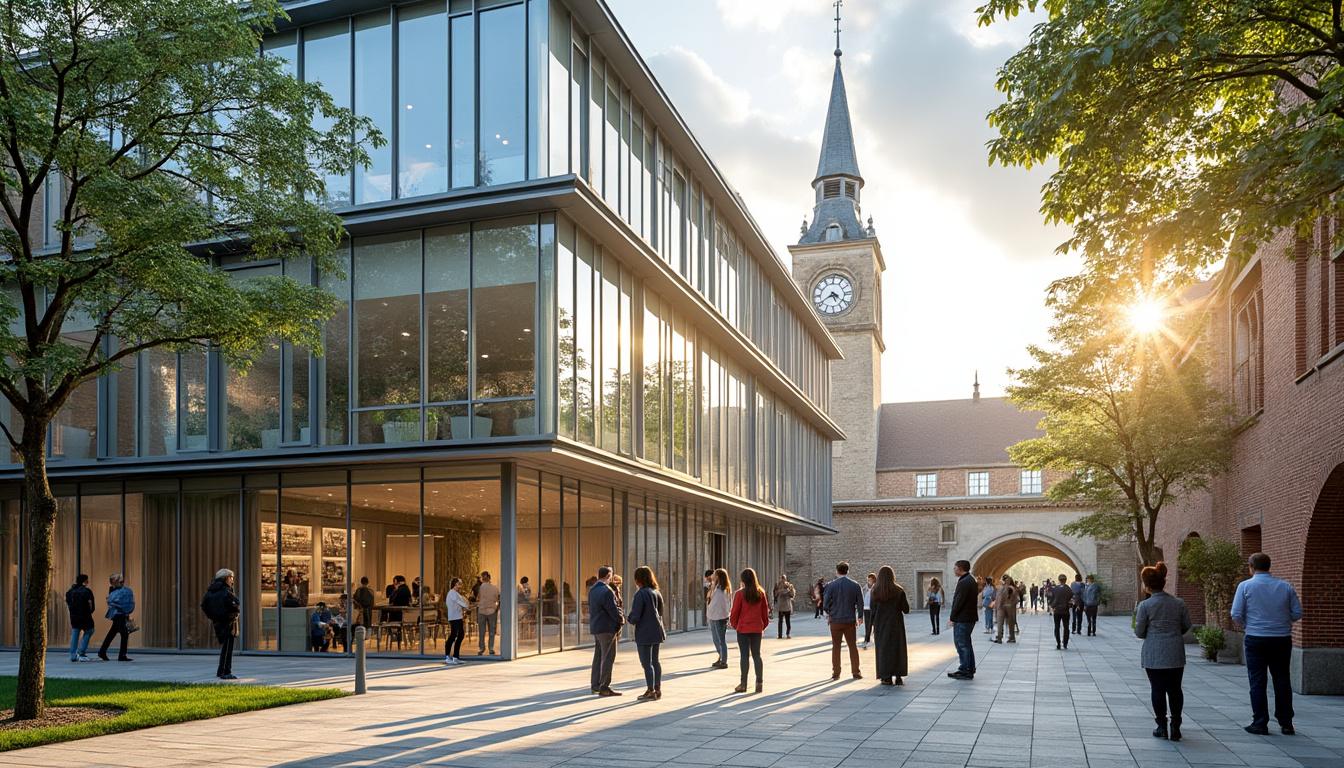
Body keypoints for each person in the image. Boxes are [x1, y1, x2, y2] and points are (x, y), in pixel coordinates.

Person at [1231, 552, 1303, 736]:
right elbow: (1297, 613)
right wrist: (1282, 621)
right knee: (1282, 679)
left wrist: (1249, 625)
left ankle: (1260, 722)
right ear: (1269, 566)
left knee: (1257, 680)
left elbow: (1236, 614)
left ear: (1251, 567)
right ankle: (1286, 722)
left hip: (1255, 637)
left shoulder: (1245, 586)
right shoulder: (1285, 586)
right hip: (1281, 638)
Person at [1135, 562, 1191, 741]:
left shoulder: (1145, 606)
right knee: (1175, 689)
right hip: (1175, 650)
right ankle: (1176, 725)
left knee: (1157, 689)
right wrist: (1173, 633)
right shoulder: (1178, 603)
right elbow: (1186, 625)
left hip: (1154, 652)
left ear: (1147, 585)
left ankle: (1161, 726)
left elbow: (1139, 632)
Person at [627, 566, 667, 701]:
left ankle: (650, 690)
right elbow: (661, 612)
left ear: (638, 579)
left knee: (646, 663)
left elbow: (635, 616)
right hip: (657, 631)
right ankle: (657, 689)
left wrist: (629, 618)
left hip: (644, 632)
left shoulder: (640, 594)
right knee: (655, 661)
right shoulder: (656, 592)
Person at [729, 567, 770, 693]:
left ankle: (743, 684)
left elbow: (734, 613)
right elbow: (765, 614)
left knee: (744, 656)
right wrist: (762, 625)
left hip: (743, 629)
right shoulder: (760, 593)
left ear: (743, 580)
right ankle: (759, 683)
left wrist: (736, 625)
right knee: (757, 655)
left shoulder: (739, 594)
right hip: (756, 628)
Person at [823, 562, 864, 680]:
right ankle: (856, 672)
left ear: (837, 571)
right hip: (850, 620)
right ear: (848, 571)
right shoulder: (855, 585)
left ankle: (836, 673)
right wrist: (860, 616)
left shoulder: (831, 585)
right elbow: (860, 603)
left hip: (835, 620)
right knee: (852, 646)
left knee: (836, 646)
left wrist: (828, 614)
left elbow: (825, 603)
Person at [870, 566, 910, 686]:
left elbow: (873, 610)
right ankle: (898, 675)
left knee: (883, 650)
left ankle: (885, 676)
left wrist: (871, 627)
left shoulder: (875, 591)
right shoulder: (899, 590)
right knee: (898, 649)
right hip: (896, 624)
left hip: (881, 624)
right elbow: (906, 609)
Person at [588, 566, 624, 696]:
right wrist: (621, 621)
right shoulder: (607, 591)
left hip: (597, 627)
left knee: (598, 657)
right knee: (608, 657)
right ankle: (604, 686)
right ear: (608, 575)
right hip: (607, 628)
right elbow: (613, 610)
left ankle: (595, 684)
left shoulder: (592, 590)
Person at [201, 569, 240, 679]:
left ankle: (222, 671)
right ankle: (225, 672)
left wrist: (213, 617)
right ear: (226, 578)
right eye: (231, 578)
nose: (232, 580)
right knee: (227, 649)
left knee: (225, 648)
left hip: (218, 622)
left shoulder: (211, 591)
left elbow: (204, 606)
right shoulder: (225, 591)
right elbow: (234, 605)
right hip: (228, 622)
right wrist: (232, 614)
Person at [947, 561, 977, 679]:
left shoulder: (964, 582)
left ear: (960, 568)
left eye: (955, 568)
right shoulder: (969, 580)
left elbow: (959, 601)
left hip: (963, 618)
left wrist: (952, 617)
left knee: (962, 644)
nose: (954, 570)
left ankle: (965, 669)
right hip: (967, 618)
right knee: (966, 643)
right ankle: (969, 667)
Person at [97, 573, 134, 662]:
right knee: (124, 634)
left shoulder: (121, 590)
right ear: (115, 582)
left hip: (120, 614)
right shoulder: (113, 591)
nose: (122, 583)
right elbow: (114, 602)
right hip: (117, 615)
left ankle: (102, 651)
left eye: (123, 581)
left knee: (112, 633)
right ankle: (122, 655)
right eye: (120, 581)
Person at [65, 574, 95, 663]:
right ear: (84, 581)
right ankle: (81, 652)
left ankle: (73, 655)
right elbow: (90, 604)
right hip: (85, 615)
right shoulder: (86, 591)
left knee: (75, 633)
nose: (88, 582)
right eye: (87, 580)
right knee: (90, 630)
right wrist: (90, 611)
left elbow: (68, 603)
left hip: (74, 616)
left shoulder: (70, 591)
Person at [706, 568, 732, 668]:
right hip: (713, 616)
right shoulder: (714, 586)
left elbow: (723, 602)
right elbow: (710, 598)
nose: (713, 576)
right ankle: (720, 657)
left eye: (715, 574)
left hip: (720, 617)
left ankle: (724, 661)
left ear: (719, 576)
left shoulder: (724, 588)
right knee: (715, 639)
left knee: (721, 640)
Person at [444, 577, 469, 664]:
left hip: (458, 617)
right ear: (455, 584)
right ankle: (447, 656)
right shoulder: (452, 593)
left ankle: (455, 657)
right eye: (459, 583)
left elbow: (462, 601)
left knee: (460, 635)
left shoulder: (456, 593)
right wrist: (466, 607)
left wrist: (466, 606)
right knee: (453, 635)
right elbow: (459, 602)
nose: (461, 585)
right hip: (454, 617)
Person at [476, 571, 500, 655]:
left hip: (482, 611)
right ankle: (491, 648)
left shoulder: (480, 587)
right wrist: (495, 608)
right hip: (491, 611)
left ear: (482, 579)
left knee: (481, 631)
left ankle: (481, 648)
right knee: (492, 631)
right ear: (489, 578)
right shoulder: (495, 588)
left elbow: (477, 598)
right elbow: (497, 599)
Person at [1049, 573, 1073, 650]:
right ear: (1065, 580)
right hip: (1065, 611)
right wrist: (1069, 606)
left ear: (1059, 580)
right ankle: (1065, 643)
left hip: (1057, 611)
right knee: (1066, 627)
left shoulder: (1055, 589)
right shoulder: (1069, 589)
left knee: (1057, 627)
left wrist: (1053, 607)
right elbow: (1071, 600)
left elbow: (1052, 599)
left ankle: (1058, 643)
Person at [993, 574, 1018, 644]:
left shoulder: (1003, 588)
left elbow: (999, 599)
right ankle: (1010, 637)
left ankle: (1000, 637)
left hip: (1002, 607)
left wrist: (998, 607)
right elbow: (1016, 600)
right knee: (1010, 623)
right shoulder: (1013, 588)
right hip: (1008, 607)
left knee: (1001, 622)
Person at [773, 574, 796, 639]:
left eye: (784, 578)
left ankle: (787, 634)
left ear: (785, 579)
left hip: (786, 606)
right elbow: (775, 594)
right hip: (782, 607)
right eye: (782, 578)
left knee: (786, 621)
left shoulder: (789, 586)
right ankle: (780, 635)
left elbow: (792, 595)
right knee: (781, 621)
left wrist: (790, 590)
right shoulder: (778, 586)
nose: (783, 580)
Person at [860, 573, 877, 649]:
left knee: (875, 624)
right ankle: (867, 639)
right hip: (866, 609)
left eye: (870, 580)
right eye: (868, 580)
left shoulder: (876, 588)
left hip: (873, 609)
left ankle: (876, 639)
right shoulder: (864, 588)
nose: (868, 581)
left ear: (874, 580)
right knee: (867, 625)